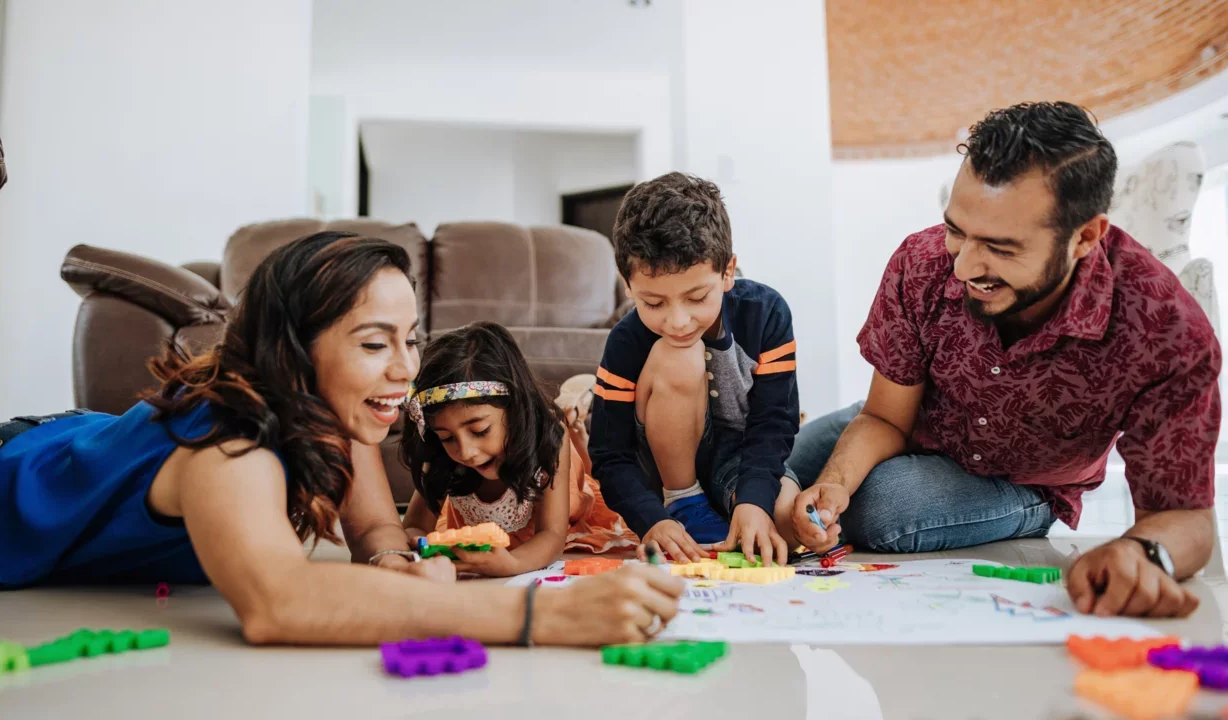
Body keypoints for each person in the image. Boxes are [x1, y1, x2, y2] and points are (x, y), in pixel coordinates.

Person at [0, 232, 682, 645]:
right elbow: (278, 602)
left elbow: (370, 522)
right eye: (373, 343)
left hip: (76, 441)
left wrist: (395, 560)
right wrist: (536, 615)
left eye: (410, 339)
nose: (405, 370)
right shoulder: (228, 445)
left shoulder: (341, 412)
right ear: (296, 353)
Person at [784, 101, 1220, 619]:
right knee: (765, 463)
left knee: (882, 508)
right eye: (957, 231)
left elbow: (1186, 518)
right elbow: (883, 417)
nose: (965, 266)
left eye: (1000, 247)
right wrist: (831, 484)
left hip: (1025, 482)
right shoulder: (922, 262)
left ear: (1084, 237)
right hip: (914, 426)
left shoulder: (1163, 328)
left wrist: (1141, 552)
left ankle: (1020, 514)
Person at [589, 172, 801, 567]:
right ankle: (685, 502)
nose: (679, 321)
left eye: (697, 297)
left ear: (728, 272)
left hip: (737, 456)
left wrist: (754, 501)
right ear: (627, 286)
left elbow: (774, 422)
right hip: (659, 471)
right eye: (653, 303)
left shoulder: (767, 314)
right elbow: (609, 453)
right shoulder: (625, 341)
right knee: (678, 354)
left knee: (786, 524)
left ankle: (724, 511)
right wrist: (652, 520)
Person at [400, 322, 638, 577]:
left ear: (515, 410)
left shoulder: (549, 438)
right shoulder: (441, 453)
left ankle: (574, 416)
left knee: (564, 430)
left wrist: (512, 564)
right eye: (446, 437)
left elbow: (552, 535)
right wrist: (418, 550)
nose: (466, 451)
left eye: (480, 431)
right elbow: (414, 526)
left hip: (555, 486)